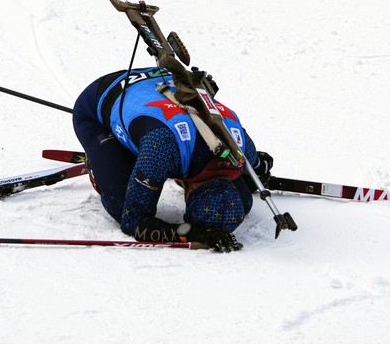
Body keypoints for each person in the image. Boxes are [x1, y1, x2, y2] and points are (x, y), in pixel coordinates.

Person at [72, 66, 273, 252]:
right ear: (190, 193)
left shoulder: (243, 149)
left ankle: (142, 157)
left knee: (243, 199)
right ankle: (101, 163)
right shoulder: (163, 151)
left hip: (160, 77)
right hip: (99, 100)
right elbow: (132, 221)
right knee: (122, 205)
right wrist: (189, 233)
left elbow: (256, 165)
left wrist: (259, 169)